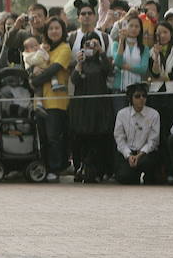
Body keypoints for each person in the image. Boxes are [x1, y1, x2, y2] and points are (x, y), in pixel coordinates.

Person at [28, 16, 71, 181]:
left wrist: (34, 81)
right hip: (40, 101)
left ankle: (55, 169)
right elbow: (32, 66)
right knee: (43, 137)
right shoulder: (43, 48)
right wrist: (32, 73)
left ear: (62, 30)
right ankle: (44, 168)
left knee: (54, 137)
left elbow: (53, 70)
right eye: (51, 28)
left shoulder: (65, 48)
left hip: (56, 100)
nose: (54, 31)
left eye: (57, 28)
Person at [68, 32, 114, 182]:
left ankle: (98, 171)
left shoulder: (102, 61)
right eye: (87, 44)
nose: (90, 47)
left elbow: (110, 71)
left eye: (93, 44)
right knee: (81, 137)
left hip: (99, 106)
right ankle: (80, 168)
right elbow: (74, 80)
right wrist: (79, 64)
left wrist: (101, 52)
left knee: (99, 138)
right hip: (82, 107)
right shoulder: (80, 62)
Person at [147, 20, 173, 172]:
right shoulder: (152, 51)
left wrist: (157, 78)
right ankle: (162, 169)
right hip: (157, 95)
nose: (161, 35)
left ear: (171, 33)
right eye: (158, 33)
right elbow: (154, 73)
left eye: (165, 32)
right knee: (159, 132)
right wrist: (156, 56)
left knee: (172, 131)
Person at [114, 83, 160, 184]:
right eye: (137, 96)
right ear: (131, 98)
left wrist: (140, 155)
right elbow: (119, 138)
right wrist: (128, 155)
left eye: (144, 96)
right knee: (124, 177)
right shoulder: (122, 114)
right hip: (128, 152)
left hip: (145, 153)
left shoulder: (154, 114)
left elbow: (153, 141)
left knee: (149, 168)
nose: (141, 98)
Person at [110, 15, 151, 113]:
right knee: (120, 116)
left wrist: (125, 66)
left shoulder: (144, 48)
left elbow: (143, 69)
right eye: (131, 26)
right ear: (126, 27)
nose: (133, 29)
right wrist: (121, 41)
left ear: (140, 29)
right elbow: (117, 61)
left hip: (137, 90)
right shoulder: (116, 44)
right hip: (119, 88)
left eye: (136, 26)